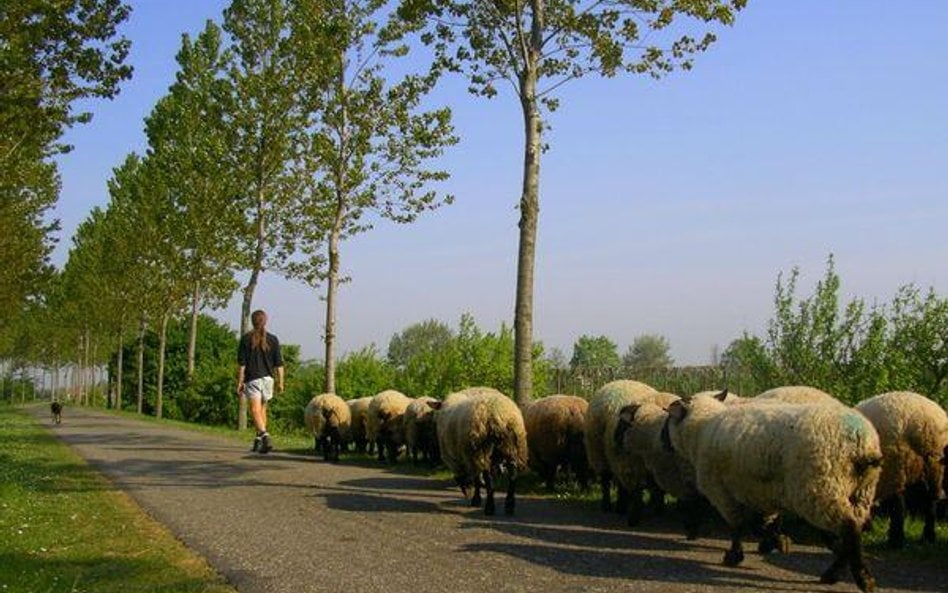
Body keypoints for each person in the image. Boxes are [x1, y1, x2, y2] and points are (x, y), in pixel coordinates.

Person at [237, 309, 285, 453]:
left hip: (253, 379)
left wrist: (240, 382)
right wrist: (281, 382)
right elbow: (279, 364)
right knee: (262, 409)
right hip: (268, 379)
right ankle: (259, 442)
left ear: (252, 321)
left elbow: (242, 365)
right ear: (265, 321)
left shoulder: (246, 339)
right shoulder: (273, 339)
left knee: (254, 410)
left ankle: (265, 435)